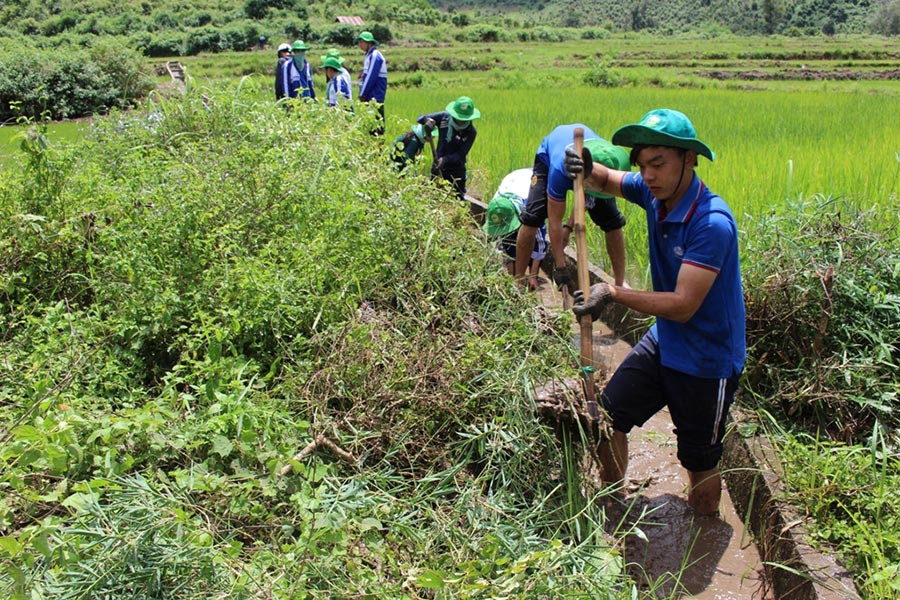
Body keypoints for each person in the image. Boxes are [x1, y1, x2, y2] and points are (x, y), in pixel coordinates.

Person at [563, 108, 746, 516]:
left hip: (706, 359)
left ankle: (704, 526)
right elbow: (608, 180)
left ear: (689, 159)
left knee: (699, 461)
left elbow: (683, 306)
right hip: (665, 342)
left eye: (658, 164)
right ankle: (612, 506)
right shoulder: (654, 194)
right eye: (643, 165)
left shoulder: (711, 223)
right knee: (608, 418)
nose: (648, 175)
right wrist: (586, 167)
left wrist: (612, 292)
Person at [514, 125, 629, 291]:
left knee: (612, 221)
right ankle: (518, 280)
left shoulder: (608, 161)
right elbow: (554, 219)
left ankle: (620, 282)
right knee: (533, 217)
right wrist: (560, 267)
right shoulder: (559, 172)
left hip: (592, 170)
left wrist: (567, 230)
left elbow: (586, 201)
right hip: (548, 157)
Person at [483, 168, 548, 290]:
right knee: (510, 243)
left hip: (534, 182)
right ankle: (516, 274)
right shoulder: (496, 206)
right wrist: (510, 274)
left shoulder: (531, 209)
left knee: (529, 239)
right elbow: (501, 239)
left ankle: (530, 274)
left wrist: (533, 275)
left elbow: (541, 242)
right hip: (513, 183)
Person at [417, 96, 480, 200]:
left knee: (457, 199)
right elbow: (420, 118)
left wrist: (445, 160)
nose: (460, 121)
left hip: (456, 170)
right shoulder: (444, 118)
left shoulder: (471, 132)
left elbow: (461, 154)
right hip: (438, 165)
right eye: (458, 117)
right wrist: (428, 121)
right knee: (434, 196)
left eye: (463, 119)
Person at [356, 31, 387, 135]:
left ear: (369, 43)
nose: (359, 45)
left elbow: (371, 77)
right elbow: (368, 74)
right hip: (371, 96)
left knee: (376, 128)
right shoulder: (369, 56)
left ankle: (379, 150)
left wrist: (363, 94)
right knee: (371, 127)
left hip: (375, 97)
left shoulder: (375, 56)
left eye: (361, 42)